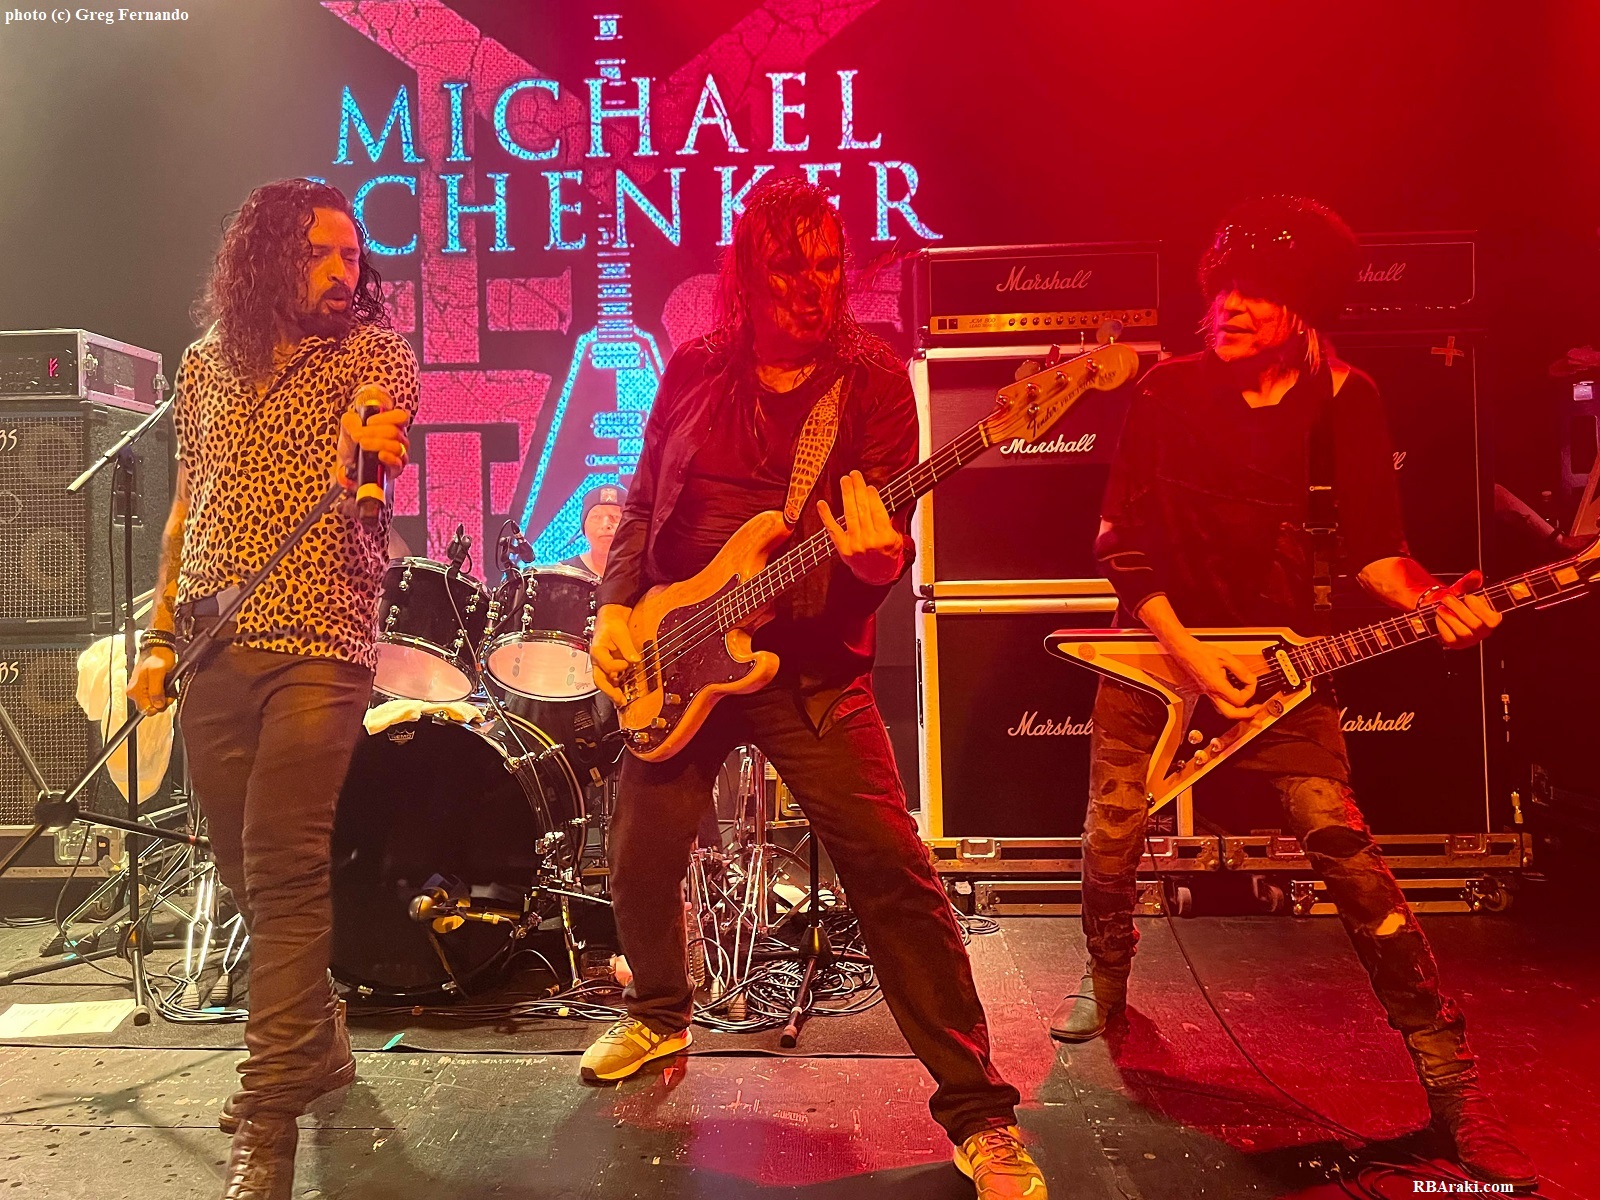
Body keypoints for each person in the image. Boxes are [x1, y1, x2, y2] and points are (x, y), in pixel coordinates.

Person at [581, 177, 1047, 1200]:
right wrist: (618, 609)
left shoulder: (872, 383)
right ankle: (659, 1017)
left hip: (808, 671)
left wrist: (878, 561)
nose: (813, 287)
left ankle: (980, 1114)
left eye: (828, 266)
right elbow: (647, 494)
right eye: (787, 268)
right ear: (746, 277)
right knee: (638, 850)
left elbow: (880, 546)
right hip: (674, 645)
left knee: (893, 875)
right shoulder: (697, 366)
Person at [1056, 195, 1535, 1190]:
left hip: (1283, 666)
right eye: (1223, 287)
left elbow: (1375, 553)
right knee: (1111, 831)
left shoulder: (1346, 400)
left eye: (1259, 293)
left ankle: (1451, 1086)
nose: (1230, 307)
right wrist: (1192, 656)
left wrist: (1437, 601)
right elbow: (1119, 546)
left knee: (1343, 847)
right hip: (1158, 650)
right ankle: (1105, 977)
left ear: (1305, 306)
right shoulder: (1166, 391)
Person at [127, 178, 416, 1200]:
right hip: (214, 638)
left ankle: (267, 1112)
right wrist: (159, 635)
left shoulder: (371, 353)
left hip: (320, 635)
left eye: (352, 255)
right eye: (319, 253)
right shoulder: (203, 366)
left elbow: (376, 424)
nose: (343, 271)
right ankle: (317, 1042)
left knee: (284, 865)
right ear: (264, 260)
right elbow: (185, 508)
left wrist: (369, 449)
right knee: (247, 875)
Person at [558, 483, 626, 578]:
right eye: (596, 517)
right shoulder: (563, 575)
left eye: (616, 517)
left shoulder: (644, 573)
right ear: (584, 528)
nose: (605, 524)